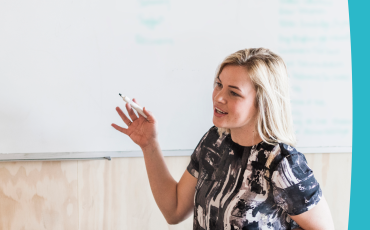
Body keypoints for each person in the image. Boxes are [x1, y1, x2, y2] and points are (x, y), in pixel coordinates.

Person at [111, 48, 335, 229]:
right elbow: (174, 210)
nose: (218, 97)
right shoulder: (213, 141)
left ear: (263, 102)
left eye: (234, 92)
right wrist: (150, 145)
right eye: (218, 84)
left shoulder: (282, 163)